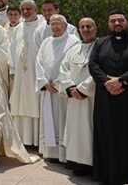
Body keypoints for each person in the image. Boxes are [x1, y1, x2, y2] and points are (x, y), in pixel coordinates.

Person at [89, 10, 128, 184]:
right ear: (108, 24)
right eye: (113, 21)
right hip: (107, 98)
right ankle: (109, 175)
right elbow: (93, 64)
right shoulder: (100, 43)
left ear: (127, 22)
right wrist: (107, 82)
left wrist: (122, 81)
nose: (117, 23)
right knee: (108, 136)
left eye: (120, 20)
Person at [36, 14, 79, 163]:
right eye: (52, 24)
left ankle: (65, 155)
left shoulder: (74, 41)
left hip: (62, 91)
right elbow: (38, 63)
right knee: (49, 120)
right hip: (48, 89)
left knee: (63, 121)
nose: (55, 26)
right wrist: (44, 82)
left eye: (58, 23)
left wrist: (60, 83)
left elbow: (72, 65)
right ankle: (51, 153)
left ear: (66, 26)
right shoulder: (46, 42)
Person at [57, 17, 97, 176]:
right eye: (83, 27)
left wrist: (83, 89)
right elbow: (63, 69)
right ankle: (77, 162)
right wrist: (71, 88)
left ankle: (92, 164)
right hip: (74, 99)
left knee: (90, 129)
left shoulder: (100, 48)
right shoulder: (74, 49)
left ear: (95, 28)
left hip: (92, 99)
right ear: (78, 30)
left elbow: (100, 71)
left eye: (89, 26)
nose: (86, 29)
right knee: (75, 131)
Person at [9, 0, 43, 146]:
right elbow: (12, 49)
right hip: (20, 75)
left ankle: (36, 140)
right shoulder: (18, 28)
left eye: (29, 9)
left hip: (35, 74)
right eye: (23, 9)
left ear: (36, 10)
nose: (25, 12)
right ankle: (22, 138)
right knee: (19, 103)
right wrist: (13, 69)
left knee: (35, 104)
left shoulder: (42, 26)